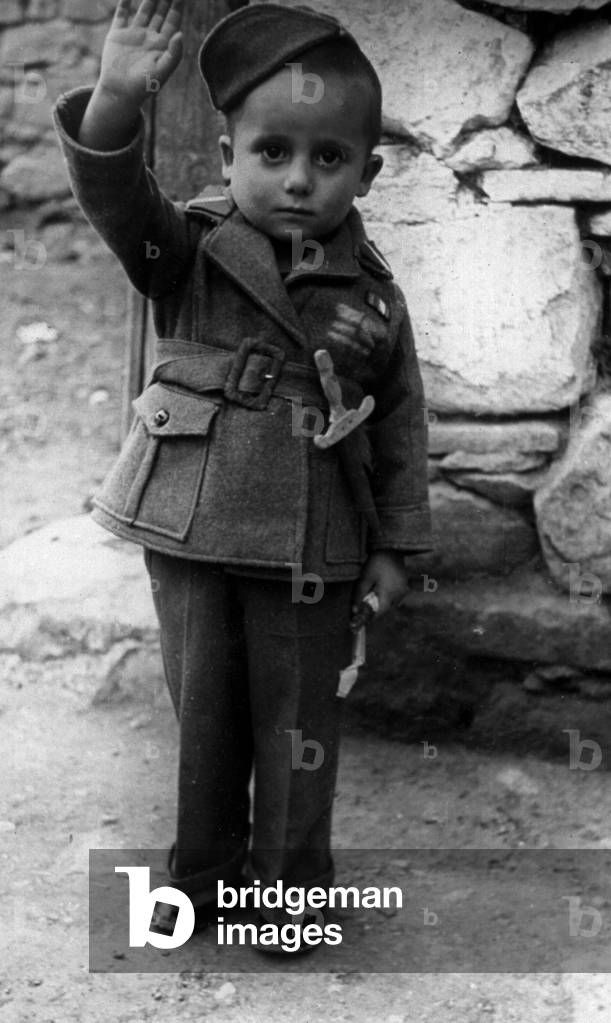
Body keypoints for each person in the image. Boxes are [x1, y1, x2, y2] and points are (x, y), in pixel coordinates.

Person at [53, 0, 432, 951]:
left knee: (300, 729)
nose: (298, 180)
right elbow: (116, 202)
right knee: (205, 722)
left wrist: (396, 543)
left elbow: (399, 424)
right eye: (272, 153)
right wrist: (112, 102)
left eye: (328, 159)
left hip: (314, 537)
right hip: (192, 519)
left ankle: (288, 895)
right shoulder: (185, 245)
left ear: (367, 171)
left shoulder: (374, 292)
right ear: (227, 157)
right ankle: (201, 882)